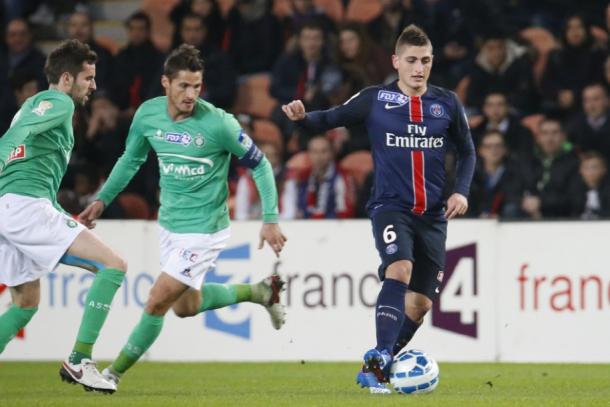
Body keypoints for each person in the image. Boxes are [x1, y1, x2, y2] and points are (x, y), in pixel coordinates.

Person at [78, 45, 287, 390]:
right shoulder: (147, 116)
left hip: (205, 231)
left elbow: (261, 164)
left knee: (157, 299)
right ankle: (260, 292)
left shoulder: (219, 123)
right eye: (184, 86)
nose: (191, 94)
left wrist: (270, 218)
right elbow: (130, 160)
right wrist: (102, 199)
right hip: (170, 225)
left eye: (197, 86)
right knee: (185, 307)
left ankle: (111, 375)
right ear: (165, 83)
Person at [282, 24, 475, 394]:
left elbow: (467, 151)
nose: (419, 68)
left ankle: (375, 369)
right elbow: (334, 117)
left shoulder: (447, 102)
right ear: (396, 62)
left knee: (418, 306)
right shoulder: (376, 99)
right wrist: (303, 117)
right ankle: (381, 354)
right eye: (412, 61)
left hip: (434, 216)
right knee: (399, 268)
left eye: (426, 61)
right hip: (391, 207)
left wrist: (461, 191)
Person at [0, 39, 125, 393]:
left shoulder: (32, 105)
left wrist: (60, 212)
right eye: (88, 78)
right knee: (112, 265)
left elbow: (28, 169)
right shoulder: (56, 101)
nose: (94, 86)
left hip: (12, 207)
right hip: (24, 209)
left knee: (25, 305)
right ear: (67, 79)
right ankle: (80, 360)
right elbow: (14, 138)